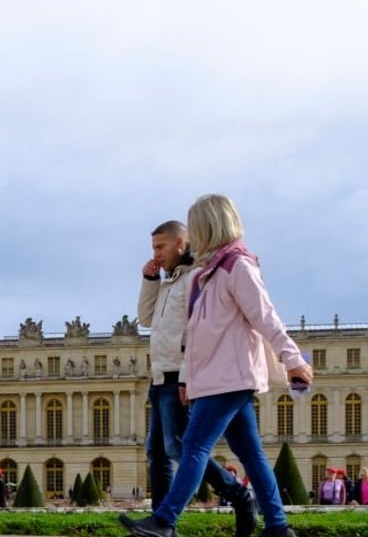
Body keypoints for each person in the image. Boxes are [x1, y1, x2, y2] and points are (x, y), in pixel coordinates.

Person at [121, 194, 313, 537]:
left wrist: (293, 358)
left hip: (231, 376)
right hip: (215, 377)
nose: (192, 235)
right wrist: (188, 380)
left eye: (195, 226)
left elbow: (265, 317)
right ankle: (278, 527)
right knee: (250, 454)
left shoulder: (238, 266)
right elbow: (195, 336)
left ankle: (164, 521)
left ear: (208, 226)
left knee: (192, 446)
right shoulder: (208, 274)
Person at [138, 220, 255, 537]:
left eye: (160, 247)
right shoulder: (168, 282)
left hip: (180, 374)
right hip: (160, 373)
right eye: (153, 248)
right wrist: (150, 279)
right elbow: (146, 319)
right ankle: (159, 524)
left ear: (180, 243)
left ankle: (237, 494)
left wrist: (189, 378)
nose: (156, 254)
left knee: (180, 447)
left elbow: (197, 333)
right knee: (157, 452)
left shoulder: (194, 279)